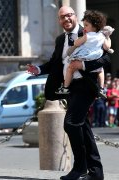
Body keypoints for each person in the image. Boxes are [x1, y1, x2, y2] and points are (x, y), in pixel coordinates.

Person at [26, 6, 110, 180]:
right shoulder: (60, 40)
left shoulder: (88, 32)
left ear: (75, 16)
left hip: (86, 85)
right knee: (82, 127)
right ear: (59, 21)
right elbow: (54, 64)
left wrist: (83, 65)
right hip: (70, 87)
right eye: (62, 17)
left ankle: (80, 168)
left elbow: (106, 58)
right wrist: (38, 69)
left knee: (71, 123)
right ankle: (96, 172)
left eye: (69, 15)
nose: (66, 19)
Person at [55, 10, 114, 100]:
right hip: (96, 57)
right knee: (101, 70)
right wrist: (108, 37)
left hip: (84, 57)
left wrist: (81, 38)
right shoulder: (101, 36)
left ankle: (65, 87)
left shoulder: (87, 36)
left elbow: (77, 43)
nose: (84, 27)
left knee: (70, 68)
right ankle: (101, 88)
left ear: (94, 26)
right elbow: (107, 47)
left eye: (86, 25)